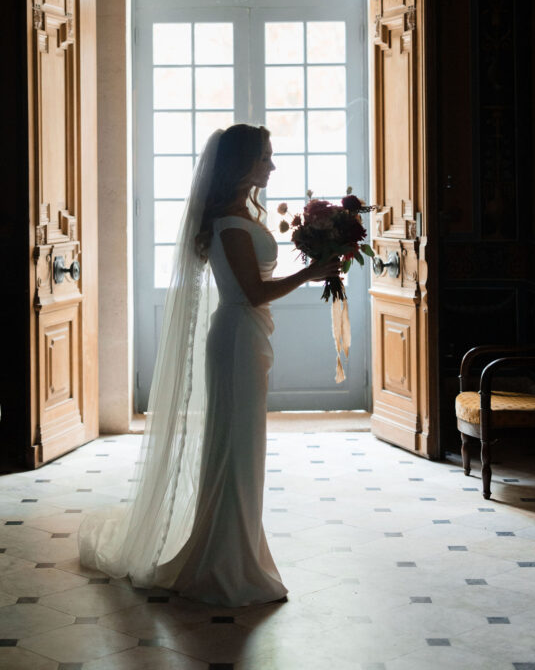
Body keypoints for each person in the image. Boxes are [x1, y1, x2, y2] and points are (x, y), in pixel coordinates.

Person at [78, 124, 341, 607]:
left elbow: (255, 288)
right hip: (238, 338)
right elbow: (252, 293)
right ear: (242, 163)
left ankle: (236, 553)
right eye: (266, 156)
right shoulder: (225, 221)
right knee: (236, 451)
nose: (273, 165)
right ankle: (224, 565)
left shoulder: (242, 212)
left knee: (243, 452)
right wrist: (311, 271)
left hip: (248, 337)